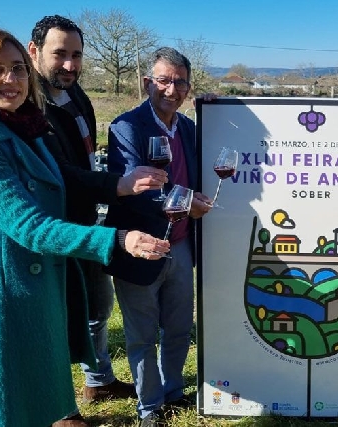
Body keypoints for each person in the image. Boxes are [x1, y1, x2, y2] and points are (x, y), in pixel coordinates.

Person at [0, 27, 169, 427]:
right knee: (5, 402)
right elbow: (31, 227)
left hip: (40, 286)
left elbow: (63, 175)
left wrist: (118, 184)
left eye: (16, 69)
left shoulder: (24, 127)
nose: (10, 80)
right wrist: (118, 238)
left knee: (39, 397)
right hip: (7, 292)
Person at [27, 15, 171, 426]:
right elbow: (57, 173)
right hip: (52, 229)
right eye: (60, 54)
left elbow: (86, 157)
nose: (70, 65)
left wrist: (107, 194)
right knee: (57, 317)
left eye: (76, 55)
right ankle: (62, 410)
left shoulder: (77, 99)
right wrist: (117, 186)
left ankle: (99, 379)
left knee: (97, 307)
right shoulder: (27, 106)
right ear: (35, 51)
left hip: (88, 222)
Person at [103, 47, 212, 427]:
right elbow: (139, 188)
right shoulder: (126, 127)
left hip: (180, 243)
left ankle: (173, 390)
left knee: (180, 326)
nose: (172, 88)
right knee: (141, 334)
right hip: (140, 246)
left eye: (180, 81)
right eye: (164, 80)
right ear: (148, 82)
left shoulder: (189, 128)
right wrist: (186, 202)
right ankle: (149, 406)